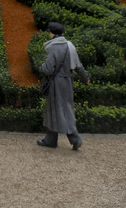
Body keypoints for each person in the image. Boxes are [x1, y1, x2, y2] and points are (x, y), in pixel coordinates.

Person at [37, 21, 91, 151]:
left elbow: (49, 69)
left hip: (56, 83)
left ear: (52, 33)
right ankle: (50, 140)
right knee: (62, 109)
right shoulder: (70, 45)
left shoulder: (52, 47)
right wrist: (86, 78)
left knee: (58, 110)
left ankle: (74, 138)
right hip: (68, 82)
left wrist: (40, 66)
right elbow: (78, 66)